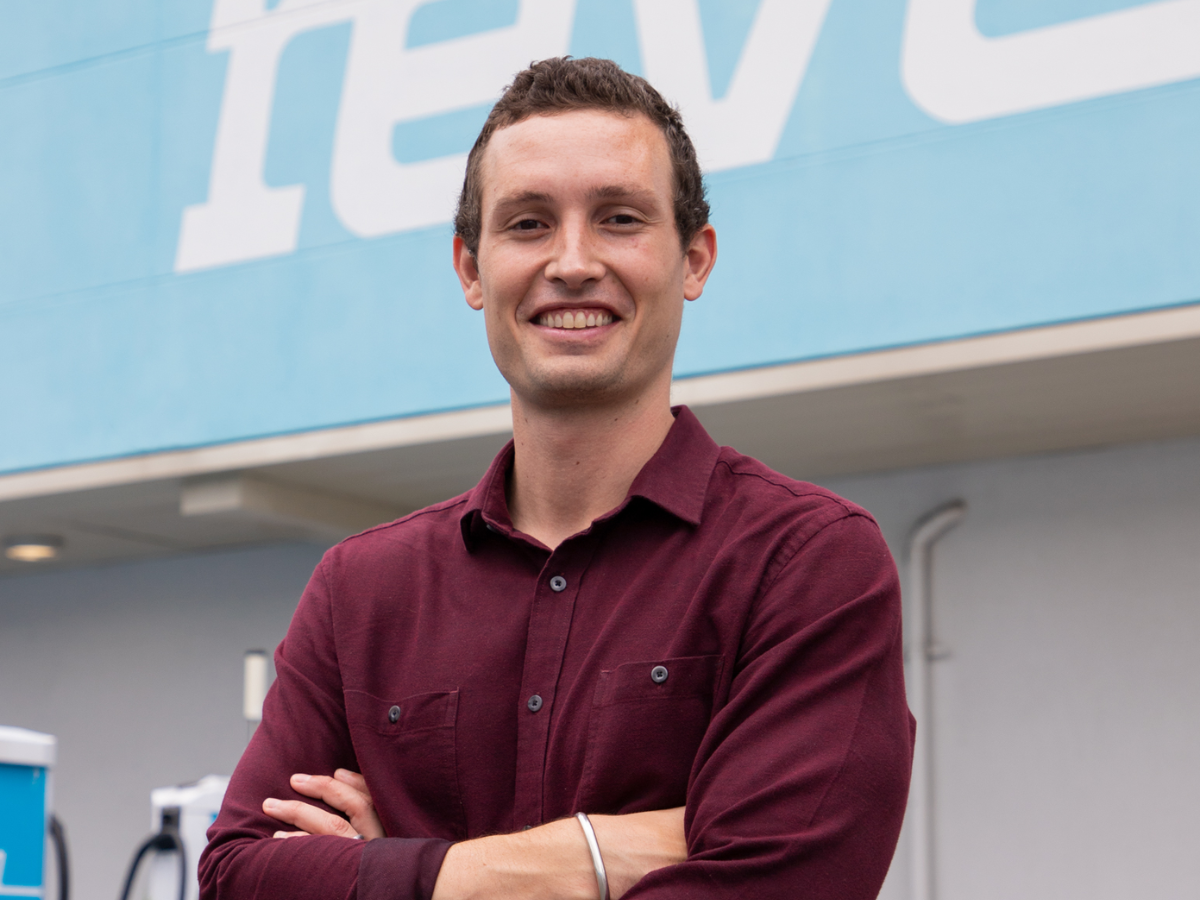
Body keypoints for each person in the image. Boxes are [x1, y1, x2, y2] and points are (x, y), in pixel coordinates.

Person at [199, 57, 914, 900]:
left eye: (618, 219)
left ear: (695, 259)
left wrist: (386, 873)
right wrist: (589, 857)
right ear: (471, 268)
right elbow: (238, 878)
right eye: (530, 224)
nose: (573, 262)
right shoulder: (360, 592)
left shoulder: (807, 565)